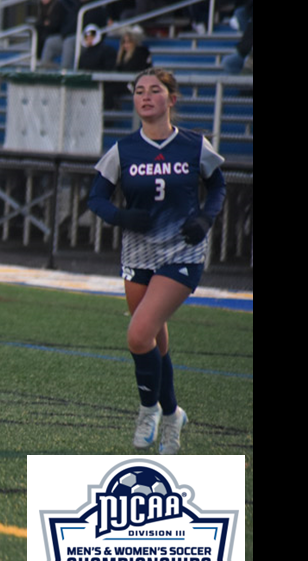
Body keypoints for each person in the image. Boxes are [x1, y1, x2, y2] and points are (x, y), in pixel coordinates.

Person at [87, 68, 226, 456]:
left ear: (172, 99)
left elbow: (218, 184)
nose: (145, 97)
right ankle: (172, 415)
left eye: (155, 91)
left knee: (137, 333)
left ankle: (149, 409)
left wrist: (205, 217)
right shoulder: (123, 149)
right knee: (153, 337)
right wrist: (120, 216)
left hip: (182, 251)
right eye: (139, 92)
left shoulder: (195, 145)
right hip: (137, 253)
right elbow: (95, 198)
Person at [35, 0, 65, 67]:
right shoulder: (40, 7)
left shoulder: (57, 6)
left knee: (45, 36)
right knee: (38, 32)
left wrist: (47, 23)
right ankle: (37, 56)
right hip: (44, 31)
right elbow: (40, 22)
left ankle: (42, 59)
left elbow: (54, 23)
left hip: (54, 32)